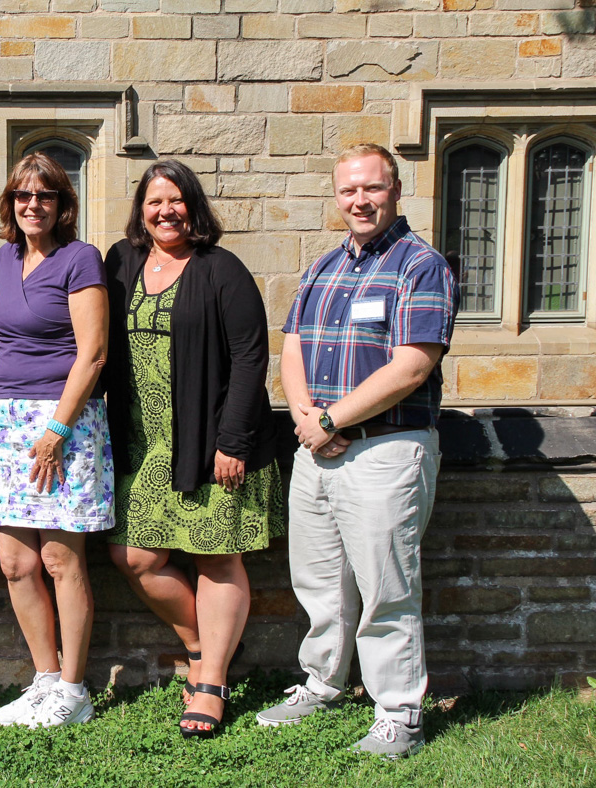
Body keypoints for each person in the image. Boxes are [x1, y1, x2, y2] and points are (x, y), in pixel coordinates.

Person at [257, 143, 458, 759]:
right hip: (318, 448)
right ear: (337, 197)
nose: (360, 201)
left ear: (396, 191)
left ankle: (398, 712)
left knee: (386, 587)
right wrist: (308, 419)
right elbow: (291, 348)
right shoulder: (323, 268)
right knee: (319, 581)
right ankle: (323, 682)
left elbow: (412, 366)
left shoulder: (421, 267)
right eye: (349, 191)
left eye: (371, 189)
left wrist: (331, 418)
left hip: (387, 449)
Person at [103, 160, 285, 739]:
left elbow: (252, 357)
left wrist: (233, 441)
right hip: (143, 442)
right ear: (140, 210)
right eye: (155, 202)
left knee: (215, 556)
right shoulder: (122, 262)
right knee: (133, 557)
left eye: (177, 201)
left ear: (194, 207)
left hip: (209, 442)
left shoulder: (221, 269)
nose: (166, 212)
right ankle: (204, 650)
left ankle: (209, 683)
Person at [0, 153, 113, 729]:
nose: (33, 205)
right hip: (9, 422)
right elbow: (3, 342)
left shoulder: (80, 259)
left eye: (45, 196)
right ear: (10, 203)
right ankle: (44, 679)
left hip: (64, 420)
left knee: (59, 557)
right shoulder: (6, 259)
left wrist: (56, 428)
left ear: (62, 205)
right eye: (23, 196)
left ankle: (75, 691)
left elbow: (93, 353)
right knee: (14, 560)